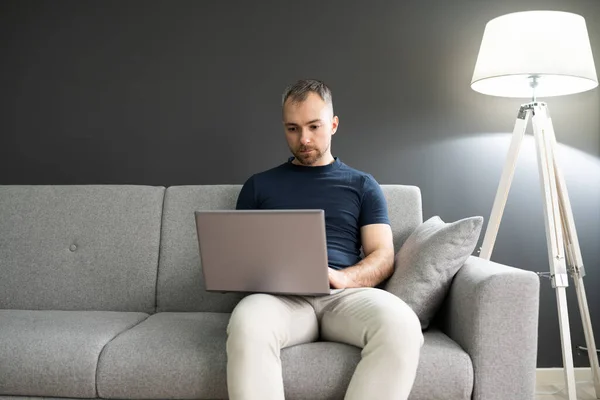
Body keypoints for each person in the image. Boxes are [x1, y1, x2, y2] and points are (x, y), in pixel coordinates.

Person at [227, 79, 424, 400]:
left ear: (333, 125)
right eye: (292, 128)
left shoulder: (363, 184)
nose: (303, 139)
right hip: (280, 301)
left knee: (402, 325)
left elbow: (382, 255)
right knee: (248, 323)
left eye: (313, 126)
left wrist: (341, 277)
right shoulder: (258, 186)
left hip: (345, 297)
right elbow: (239, 259)